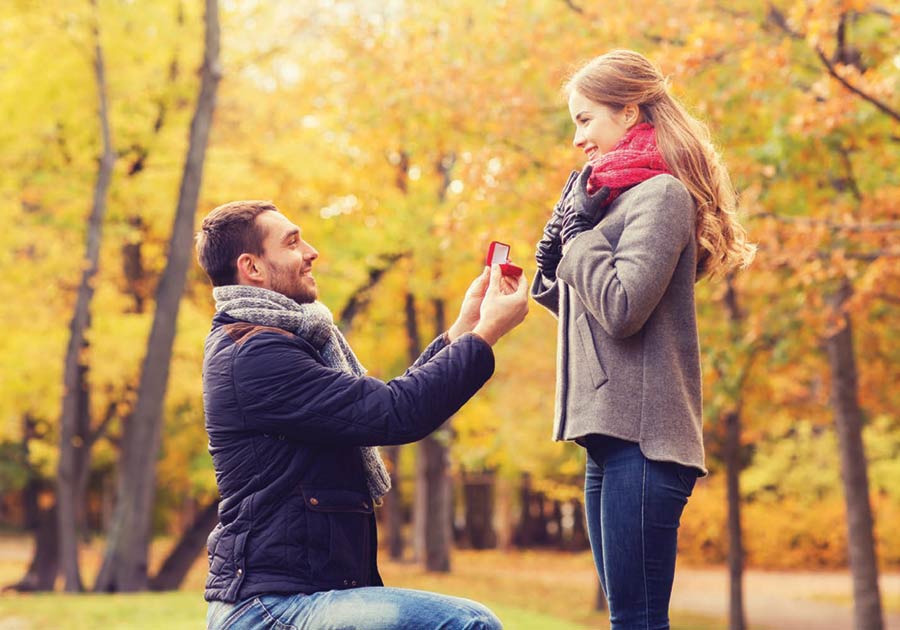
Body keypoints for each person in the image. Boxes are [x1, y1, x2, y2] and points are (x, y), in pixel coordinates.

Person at [195, 200, 528, 630]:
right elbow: (395, 412)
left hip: (306, 594)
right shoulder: (256, 356)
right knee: (469, 624)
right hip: (269, 608)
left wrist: (464, 328)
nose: (311, 251)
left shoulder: (278, 342)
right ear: (252, 268)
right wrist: (486, 336)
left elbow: (379, 405)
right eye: (293, 243)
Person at [531, 50, 755, 629]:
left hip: (647, 440)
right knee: (625, 618)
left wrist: (578, 238)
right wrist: (549, 265)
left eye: (586, 119)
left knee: (637, 620)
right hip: (607, 439)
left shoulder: (662, 197)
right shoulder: (611, 200)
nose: (577, 138)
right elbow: (593, 321)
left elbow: (623, 309)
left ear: (629, 113)